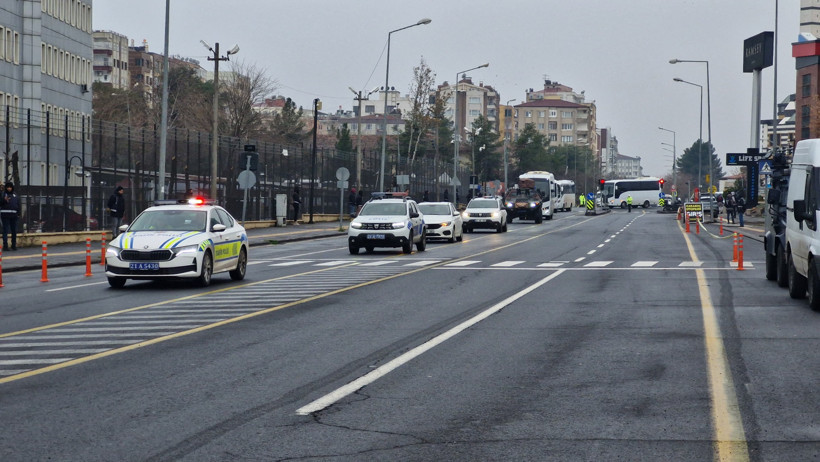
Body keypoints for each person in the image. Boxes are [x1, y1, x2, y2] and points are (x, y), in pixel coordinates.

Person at [0, 182, 21, 250]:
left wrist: (18, 213)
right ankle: (5, 245)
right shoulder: (3, 194)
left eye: (10, 187)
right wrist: (4, 200)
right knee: (5, 230)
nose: (9, 188)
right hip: (5, 214)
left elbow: (18, 204)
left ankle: (13, 244)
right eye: (8, 187)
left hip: (14, 215)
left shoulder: (15, 195)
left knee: (14, 230)